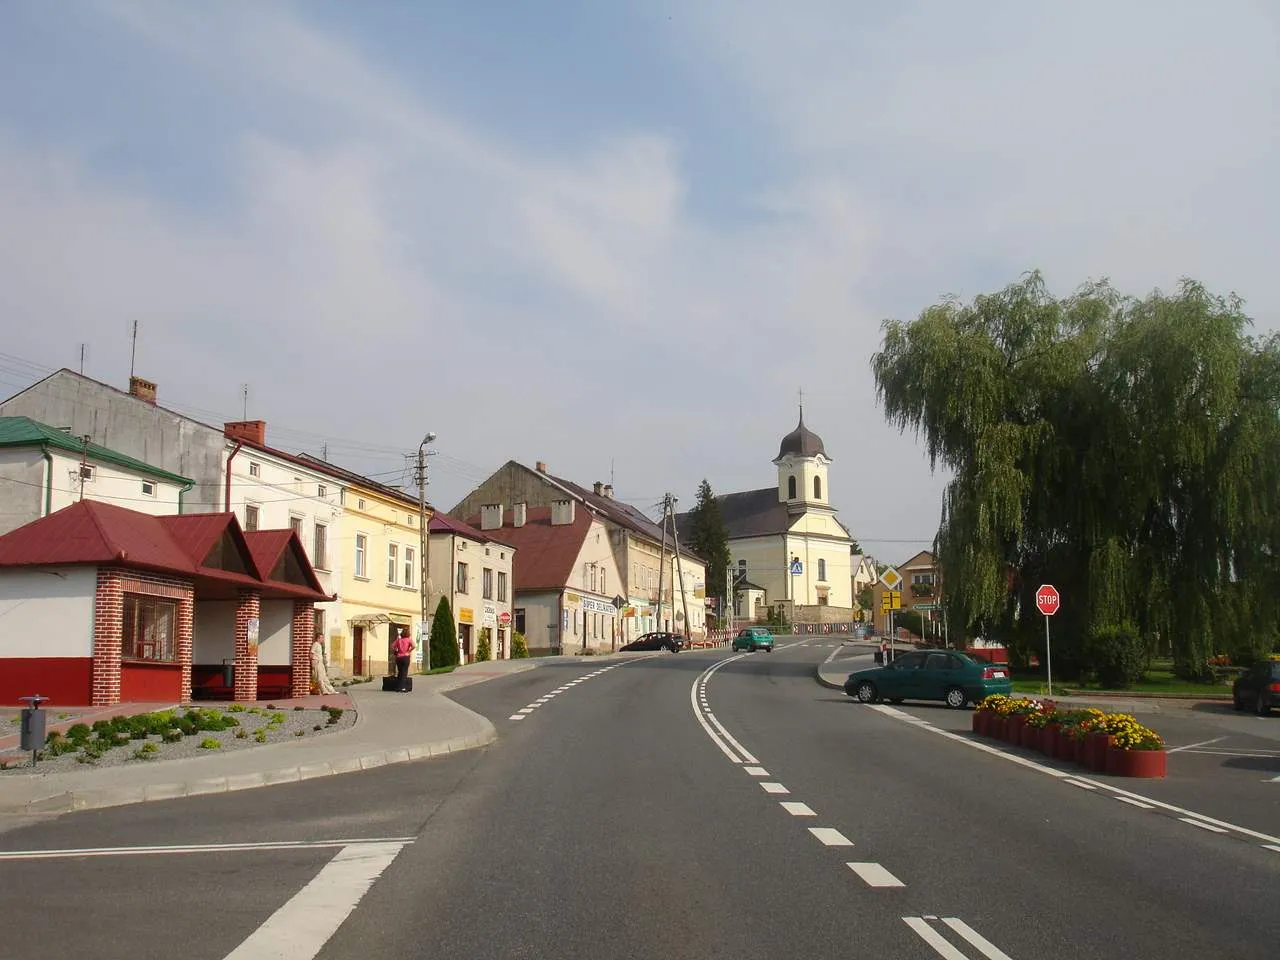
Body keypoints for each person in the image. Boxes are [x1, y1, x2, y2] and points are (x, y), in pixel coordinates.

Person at [391, 627, 415, 692]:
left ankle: (398, 687)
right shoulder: (409, 639)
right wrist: (408, 651)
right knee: (404, 673)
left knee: (400, 672)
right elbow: (414, 646)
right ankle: (402, 687)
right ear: (408, 633)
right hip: (405, 657)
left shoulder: (399, 640)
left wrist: (396, 651)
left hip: (398, 657)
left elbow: (392, 646)